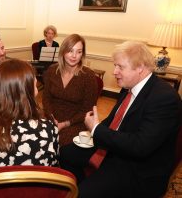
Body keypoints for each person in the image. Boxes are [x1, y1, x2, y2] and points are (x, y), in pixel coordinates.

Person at [59, 41, 182, 197]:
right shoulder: (129, 86)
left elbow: (140, 146)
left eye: (120, 67)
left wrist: (96, 129)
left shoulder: (164, 98)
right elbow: (113, 121)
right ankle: (83, 182)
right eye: (115, 65)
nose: (114, 72)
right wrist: (93, 130)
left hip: (137, 169)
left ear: (140, 68)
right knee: (65, 153)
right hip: (118, 148)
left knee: (84, 194)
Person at [0, 59, 59, 171]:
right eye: (34, 86)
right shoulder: (49, 130)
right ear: (27, 93)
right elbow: (53, 171)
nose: (37, 92)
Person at [42, 34, 98, 147]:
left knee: (60, 145)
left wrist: (65, 124)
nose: (74, 56)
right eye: (70, 51)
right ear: (63, 51)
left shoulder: (88, 76)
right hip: (51, 118)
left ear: (82, 54)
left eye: (79, 52)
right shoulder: (52, 71)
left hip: (76, 122)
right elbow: (46, 98)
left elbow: (87, 110)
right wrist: (51, 117)